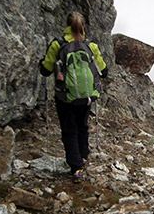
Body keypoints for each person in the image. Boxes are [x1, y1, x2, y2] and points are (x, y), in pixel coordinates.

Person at [39, 12, 108, 182]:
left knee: (69, 129)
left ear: (66, 26)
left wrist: (45, 62)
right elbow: (104, 71)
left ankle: (76, 168)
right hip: (86, 96)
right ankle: (83, 157)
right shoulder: (90, 46)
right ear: (83, 27)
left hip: (65, 96)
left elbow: (45, 70)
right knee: (82, 126)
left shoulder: (58, 44)